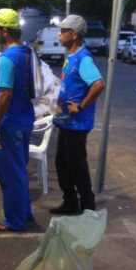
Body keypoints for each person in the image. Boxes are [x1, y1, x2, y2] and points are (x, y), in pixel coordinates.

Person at [0, 9, 35, 232]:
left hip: (11, 123)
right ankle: (25, 212)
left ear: (4, 31)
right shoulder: (28, 52)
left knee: (10, 173)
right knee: (20, 168)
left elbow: (4, 94)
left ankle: (15, 220)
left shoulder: (7, 58)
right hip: (25, 119)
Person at [49, 15, 106, 215]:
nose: (60, 34)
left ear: (74, 35)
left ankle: (88, 206)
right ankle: (71, 202)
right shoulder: (71, 57)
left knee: (77, 166)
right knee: (62, 164)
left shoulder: (83, 58)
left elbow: (98, 84)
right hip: (66, 121)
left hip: (77, 124)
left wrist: (80, 106)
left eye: (63, 31)